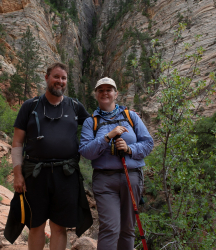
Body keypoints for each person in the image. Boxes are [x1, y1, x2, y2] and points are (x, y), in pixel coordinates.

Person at [4, 62, 93, 250]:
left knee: (59, 227)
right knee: (36, 225)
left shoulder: (75, 106)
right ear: (46, 78)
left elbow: (96, 124)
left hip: (66, 175)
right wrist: (18, 175)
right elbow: (17, 143)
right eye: (56, 77)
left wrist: (124, 117)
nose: (60, 81)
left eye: (64, 78)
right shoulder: (30, 106)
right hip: (35, 175)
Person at [79, 77, 154, 250]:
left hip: (132, 176)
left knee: (128, 228)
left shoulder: (131, 116)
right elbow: (85, 151)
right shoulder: (92, 122)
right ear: (96, 94)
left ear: (116, 93)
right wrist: (107, 137)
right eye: (101, 90)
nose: (105, 93)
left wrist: (129, 149)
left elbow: (148, 143)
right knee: (110, 228)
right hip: (104, 180)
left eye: (109, 89)